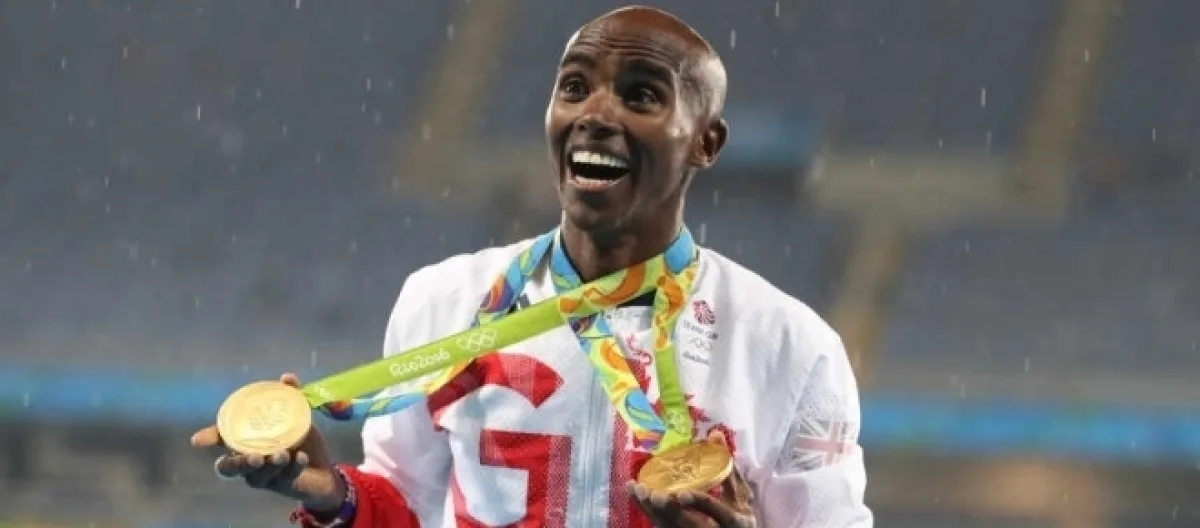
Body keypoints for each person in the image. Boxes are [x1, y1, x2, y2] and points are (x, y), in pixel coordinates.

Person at [191, 5, 872, 527]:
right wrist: (336, 497)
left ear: (706, 141)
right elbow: (405, 505)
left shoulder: (788, 346)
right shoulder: (444, 302)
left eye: (640, 95)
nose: (594, 113)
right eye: (574, 87)